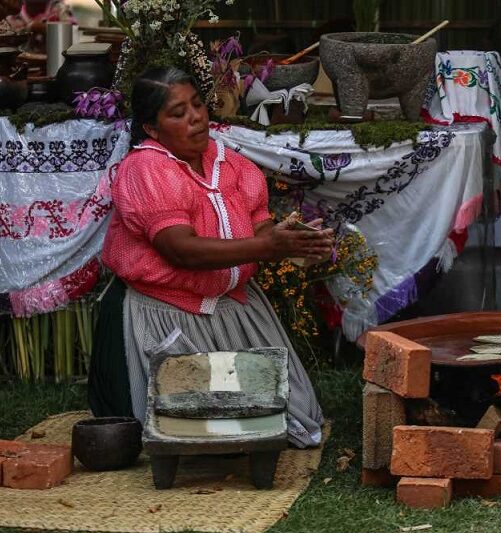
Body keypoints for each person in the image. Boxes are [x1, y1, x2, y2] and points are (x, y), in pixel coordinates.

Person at [100, 66, 333, 448]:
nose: (195, 117)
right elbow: (181, 250)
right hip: (167, 311)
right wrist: (266, 247)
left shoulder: (232, 164)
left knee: (294, 420)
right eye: (177, 113)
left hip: (237, 307)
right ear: (151, 129)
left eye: (197, 105)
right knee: (203, 428)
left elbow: (258, 227)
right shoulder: (146, 169)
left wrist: (290, 241)